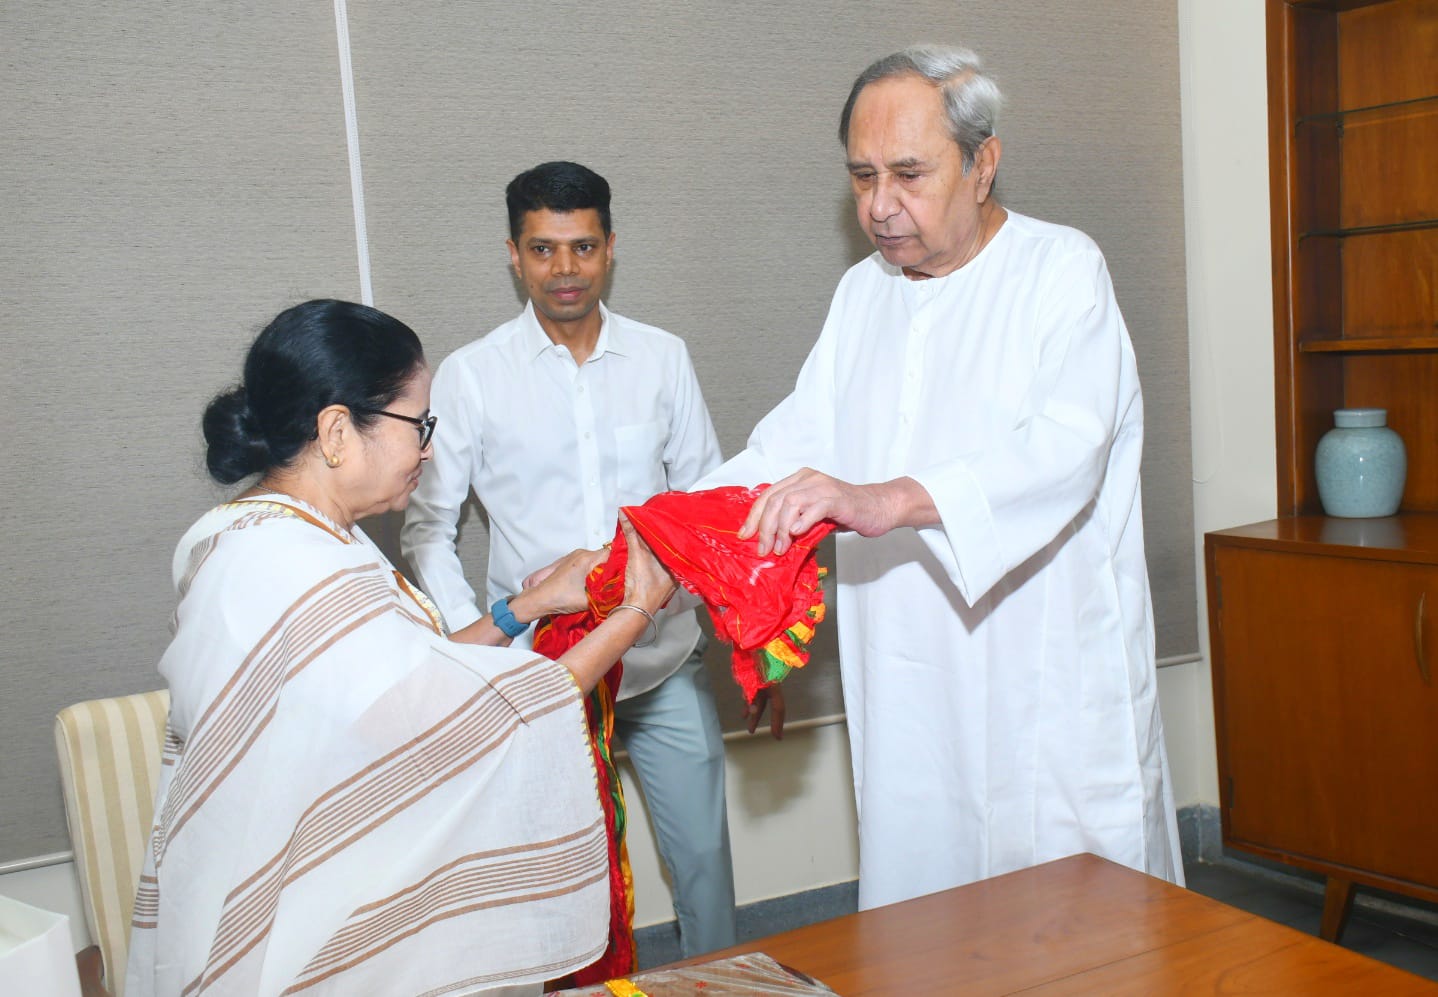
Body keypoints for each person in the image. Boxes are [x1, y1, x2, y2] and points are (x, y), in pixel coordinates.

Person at [704, 45, 1183, 911]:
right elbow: (784, 450)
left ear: (984, 162)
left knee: (1075, 920)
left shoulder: (1061, 270)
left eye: (908, 174)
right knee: (927, 903)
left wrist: (887, 497)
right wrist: (667, 536)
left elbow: (1063, 449)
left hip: (1043, 670)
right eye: (861, 177)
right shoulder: (862, 296)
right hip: (911, 673)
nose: (880, 207)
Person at [126, 299, 676, 997]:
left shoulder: (260, 533)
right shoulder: (297, 567)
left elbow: (418, 687)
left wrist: (528, 605)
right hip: (301, 932)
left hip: (284, 883)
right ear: (335, 430)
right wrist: (633, 611)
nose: (427, 447)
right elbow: (491, 718)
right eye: (418, 423)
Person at [401, 162, 739, 957]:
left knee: (704, 860)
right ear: (513, 255)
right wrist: (475, 645)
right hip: (536, 681)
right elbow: (427, 529)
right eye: (543, 249)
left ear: (610, 249)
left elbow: (703, 509)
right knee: (557, 881)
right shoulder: (474, 375)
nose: (564, 269)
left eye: (582, 247)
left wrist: (746, 637)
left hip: (660, 662)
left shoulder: (663, 358)